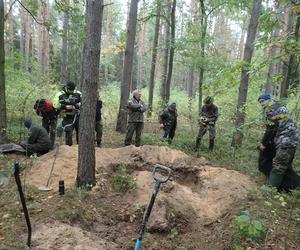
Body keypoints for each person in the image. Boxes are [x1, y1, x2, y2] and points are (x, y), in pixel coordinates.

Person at [258, 93, 299, 188]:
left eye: (263, 101)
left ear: (269, 100)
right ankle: (289, 188)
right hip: (293, 140)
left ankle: (271, 190)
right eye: (260, 102)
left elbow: (271, 128)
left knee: (278, 166)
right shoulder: (281, 108)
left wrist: (264, 143)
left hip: (285, 141)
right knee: (286, 167)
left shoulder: (271, 110)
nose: (261, 104)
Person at [54, 81, 81, 146]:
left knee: (80, 132)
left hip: (77, 116)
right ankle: (68, 148)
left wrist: (76, 106)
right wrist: (65, 106)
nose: (71, 91)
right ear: (67, 88)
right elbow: (55, 104)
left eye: (72, 90)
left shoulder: (78, 93)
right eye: (70, 90)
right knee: (68, 132)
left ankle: (80, 147)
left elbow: (84, 102)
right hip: (66, 117)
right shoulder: (60, 94)